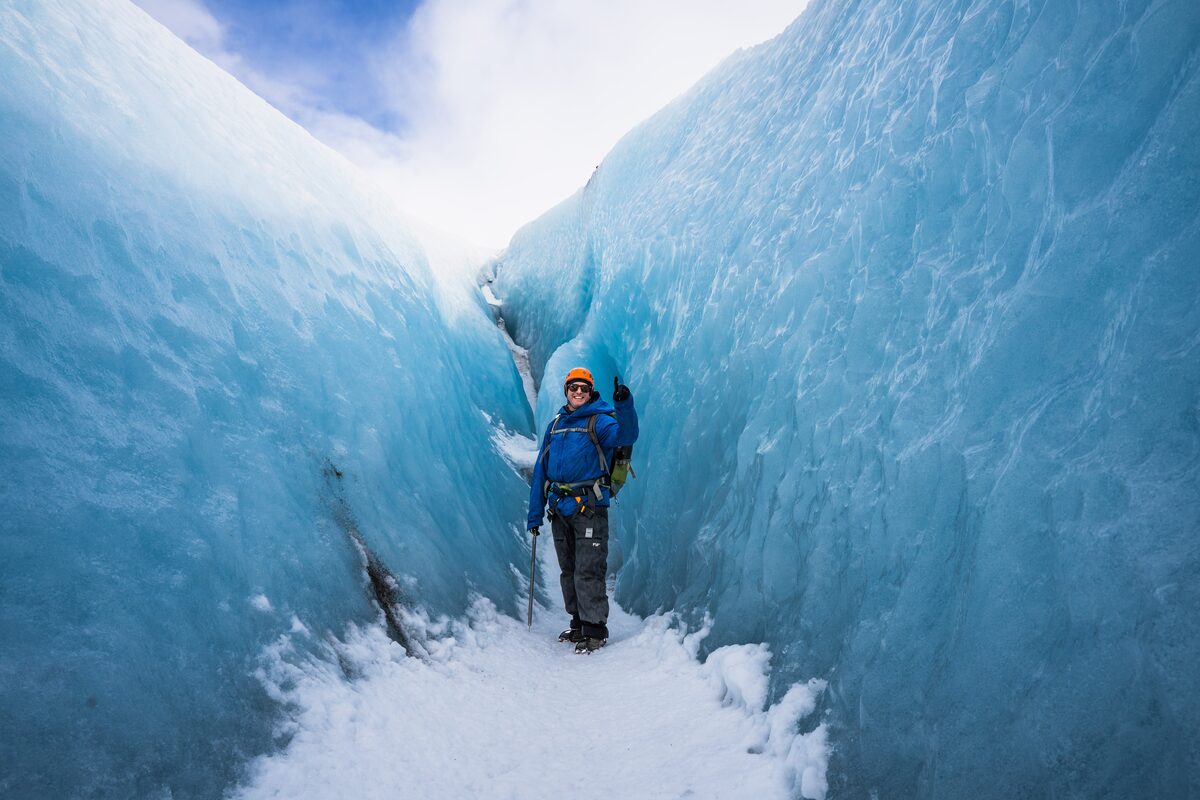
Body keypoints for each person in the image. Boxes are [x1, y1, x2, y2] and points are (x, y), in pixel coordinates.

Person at [528, 367, 639, 654]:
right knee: (569, 569)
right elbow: (541, 470)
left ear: (591, 392)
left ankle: (595, 629)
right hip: (559, 507)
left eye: (584, 388)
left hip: (589, 506)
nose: (578, 392)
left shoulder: (600, 421)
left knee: (588, 569)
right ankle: (578, 622)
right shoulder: (556, 425)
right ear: (566, 390)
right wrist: (534, 513)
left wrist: (623, 405)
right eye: (573, 387)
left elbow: (627, 435)